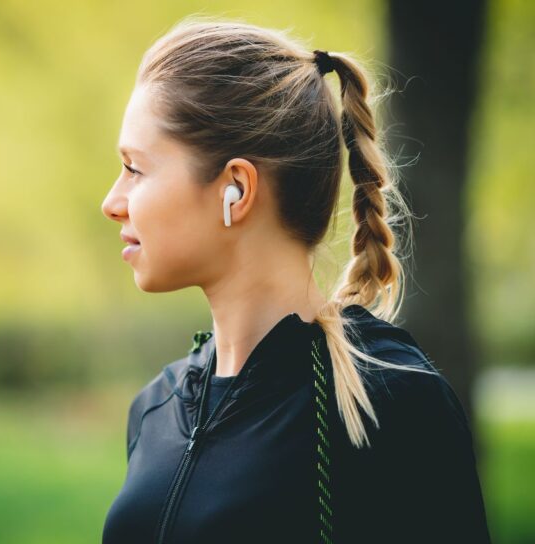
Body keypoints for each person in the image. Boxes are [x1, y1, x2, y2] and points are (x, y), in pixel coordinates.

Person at [99, 15, 492, 544]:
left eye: (135, 168)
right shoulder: (155, 408)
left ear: (235, 188)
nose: (112, 202)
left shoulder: (394, 403)